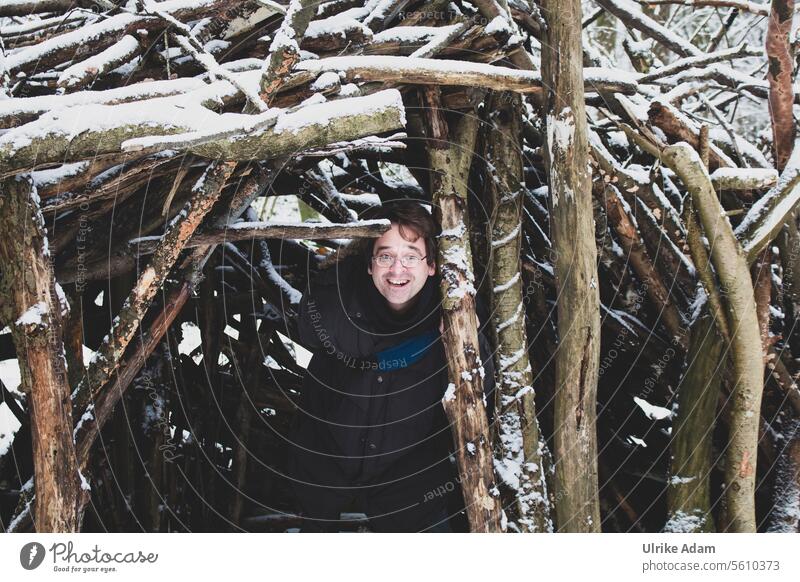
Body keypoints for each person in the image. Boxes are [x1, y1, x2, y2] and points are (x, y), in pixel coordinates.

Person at [287, 200, 495, 532]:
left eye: (411, 256)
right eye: (385, 256)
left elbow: (483, 389)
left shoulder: (454, 316)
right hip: (324, 484)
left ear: (432, 266)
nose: (397, 271)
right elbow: (310, 326)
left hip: (413, 497)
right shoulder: (338, 302)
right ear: (368, 264)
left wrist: (460, 338)